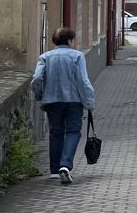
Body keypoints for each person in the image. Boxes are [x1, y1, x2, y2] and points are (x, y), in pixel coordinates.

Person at [31, 27, 97, 184]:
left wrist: (40, 95)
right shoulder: (77, 56)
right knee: (73, 131)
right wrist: (89, 101)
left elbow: (37, 78)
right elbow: (83, 80)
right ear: (69, 41)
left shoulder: (45, 56)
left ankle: (54, 170)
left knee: (55, 133)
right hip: (74, 101)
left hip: (52, 101)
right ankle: (65, 165)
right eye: (73, 40)